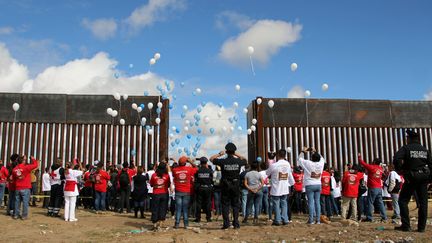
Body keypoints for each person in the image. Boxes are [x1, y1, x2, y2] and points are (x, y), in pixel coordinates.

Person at [393, 129, 432, 232]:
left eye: (407, 138)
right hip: (424, 177)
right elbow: (431, 164)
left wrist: (400, 169)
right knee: (423, 203)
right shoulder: (424, 149)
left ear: (409, 139)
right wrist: (430, 179)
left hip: (411, 177)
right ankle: (421, 228)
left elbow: (396, 158)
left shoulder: (406, 148)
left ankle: (406, 226)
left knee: (403, 200)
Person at [210, 142, 247, 230]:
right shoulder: (238, 161)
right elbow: (245, 160)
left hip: (225, 184)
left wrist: (220, 154)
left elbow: (211, 159)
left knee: (225, 204)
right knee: (235, 204)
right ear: (234, 151)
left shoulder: (223, 161)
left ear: (226, 151)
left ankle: (226, 224)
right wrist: (235, 154)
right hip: (235, 184)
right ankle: (236, 223)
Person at [266, 149, 295, 226]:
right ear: (285, 155)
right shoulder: (288, 164)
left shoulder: (274, 165)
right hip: (285, 186)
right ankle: (285, 219)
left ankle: (277, 220)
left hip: (276, 187)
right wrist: (292, 183)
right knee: (284, 203)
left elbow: (267, 173)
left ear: (278, 155)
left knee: (276, 203)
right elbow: (289, 175)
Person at [298, 147, 325, 225]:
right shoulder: (321, 163)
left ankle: (311, 220)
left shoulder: (308, 163)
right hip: (318, 184)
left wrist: (303, 151)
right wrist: (315, 151)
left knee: (310, 202)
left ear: (311, 158)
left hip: (309, 184)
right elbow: (321, 158)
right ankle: (318, 220)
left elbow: (299, 159)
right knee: (317, 202)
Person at [358, 154, 387, 222]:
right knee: (380, 203)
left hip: (372, 187)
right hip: (379, 188)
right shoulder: (380, 169)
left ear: (374, 161)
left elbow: (363, 163)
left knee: (370, 202)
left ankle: (369, 217)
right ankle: (384, 217)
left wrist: (359, 157)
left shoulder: (372, 167)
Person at [172, 156, 197, 228]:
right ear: (185, 163)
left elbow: (174, 175)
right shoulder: (189, 169)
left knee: (178, 208)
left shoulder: (175, 170)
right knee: (185, 208)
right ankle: (186, 224)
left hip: (178, 191)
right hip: (187, 191)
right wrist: (190, 161)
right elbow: (196, 168)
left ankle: (177, 224)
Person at [150, 162, 171, 230]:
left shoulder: (154, 175)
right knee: (163, 208)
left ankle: (154, 224)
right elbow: (168, 185)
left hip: (156, 193)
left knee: (155, 208)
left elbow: (151, 184)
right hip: (164, 193)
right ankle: (160, 223)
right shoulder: (167, 175)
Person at [194, 157, 213, 223]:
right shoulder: (209, 171)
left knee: (199, 204)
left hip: (200, 188)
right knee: (208, 203)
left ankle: (198, 218)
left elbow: (196, 180)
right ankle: (208, 218)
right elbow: (212, 180)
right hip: (208, 188)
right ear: (206, 163)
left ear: (200, 163)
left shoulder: (198, 171)